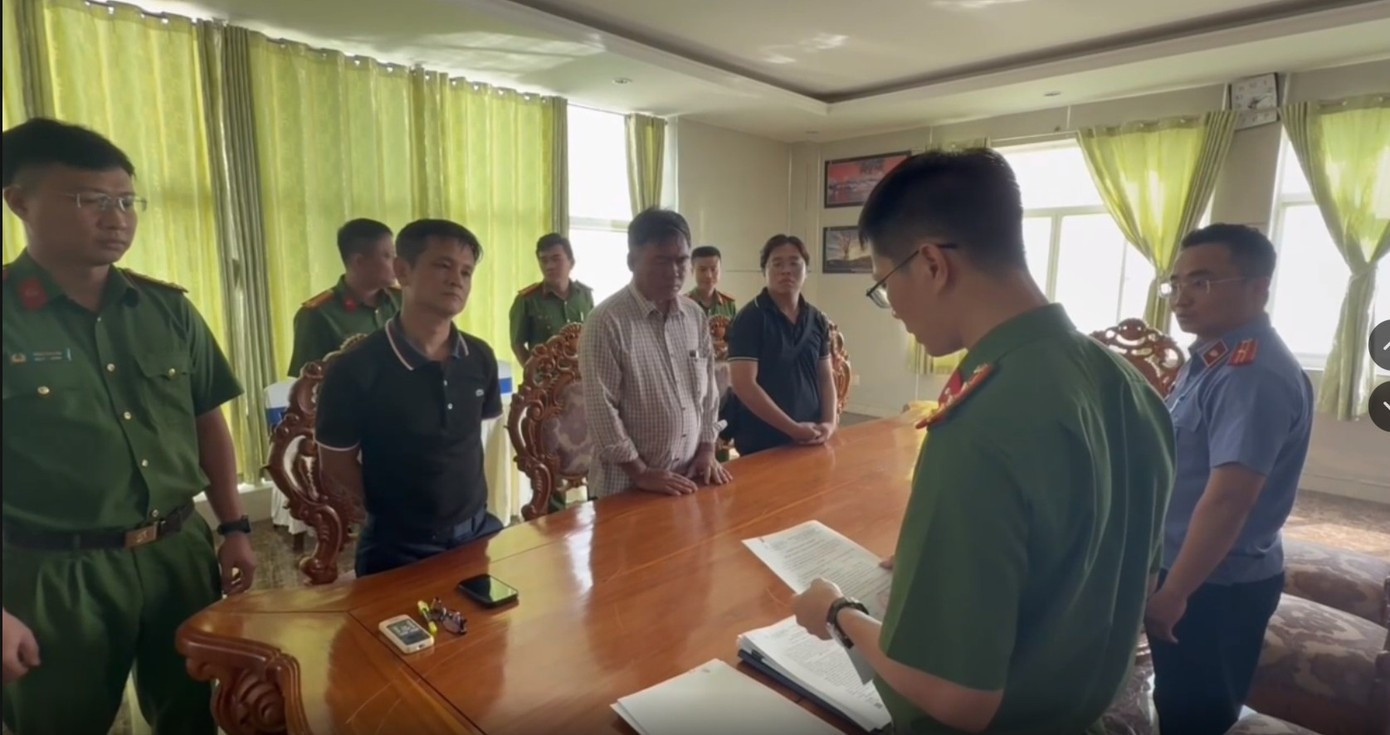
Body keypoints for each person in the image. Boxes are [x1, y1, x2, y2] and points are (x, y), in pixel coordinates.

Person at [788, 149, 1174, 734]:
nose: (892, 310)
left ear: (931, 264)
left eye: (884, 285)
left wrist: (837, 612)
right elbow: (1136, 579)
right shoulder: (1129, 386)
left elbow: (957, 699)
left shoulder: (979, 421)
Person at [1, 117, 255, 734]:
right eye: (89, 200)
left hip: (177, 552)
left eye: (126, 201)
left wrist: (234, 527)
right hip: (53, 574)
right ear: (19, 202)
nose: (116, 218)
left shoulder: (166, 309)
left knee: (193, 712)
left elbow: (207, 421)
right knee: (60, 722)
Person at [1145, 224, 1313, 735]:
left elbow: (1229, 501)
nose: (1182, 298)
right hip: (1193, 568)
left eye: (1202, 282)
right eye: (1176, 284)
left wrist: (1175, 592)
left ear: (1258, 287)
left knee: (1196, 714)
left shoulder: (1251, 374)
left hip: (1214, 584)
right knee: (1177, 698)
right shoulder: (1211, 358)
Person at [315, 219, 503, 577]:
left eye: (466, 272)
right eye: (443, 265)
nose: (457, 280)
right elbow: (336, 462)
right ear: (403, 271)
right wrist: (393, 510)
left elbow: (474, 438)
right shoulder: (356, 368)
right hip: (398, 546)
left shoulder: (479, 357)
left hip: (476, 533)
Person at [580, 207, 731, 500]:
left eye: (681, 260)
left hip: (689, 479)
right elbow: (602, 411)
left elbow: (709, 394)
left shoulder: (694, 315)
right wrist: (641, 472)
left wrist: (707, 449)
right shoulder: (606, 322)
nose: (674, 271)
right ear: (631, 261)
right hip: (627, 490)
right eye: (661, 260)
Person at [725, 234, 837, 455]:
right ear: (764, 271)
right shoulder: (750, 318)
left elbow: (825, 377)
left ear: (806, 270)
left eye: (794, 263)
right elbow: (744, 384)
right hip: (762, 440)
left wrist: (829, 423)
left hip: (812, 434)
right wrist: (793, 428)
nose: (786, 271)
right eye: (777, 264)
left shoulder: (817, 319)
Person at [286, 218, 400, 377]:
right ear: (359, 262)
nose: (397, 263)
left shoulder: (403, 300)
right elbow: (307, 382)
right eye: (388, 256)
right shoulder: (317, 315)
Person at [508, 232, 593, 368]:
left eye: (556, 259)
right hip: (547, 377)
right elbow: (517, 344)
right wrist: (534, 373)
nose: (549, 266)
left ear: (571, 262)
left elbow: (592, 336)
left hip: (581, 374)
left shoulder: (584, 295)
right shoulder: (527, 300)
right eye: (544, 260)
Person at [687, 245, 736, 318]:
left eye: (713, 269)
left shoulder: (729, 304)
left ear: (720, 270)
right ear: (692, 271)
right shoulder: (684, 304)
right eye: (702, 270)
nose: (709, 275)